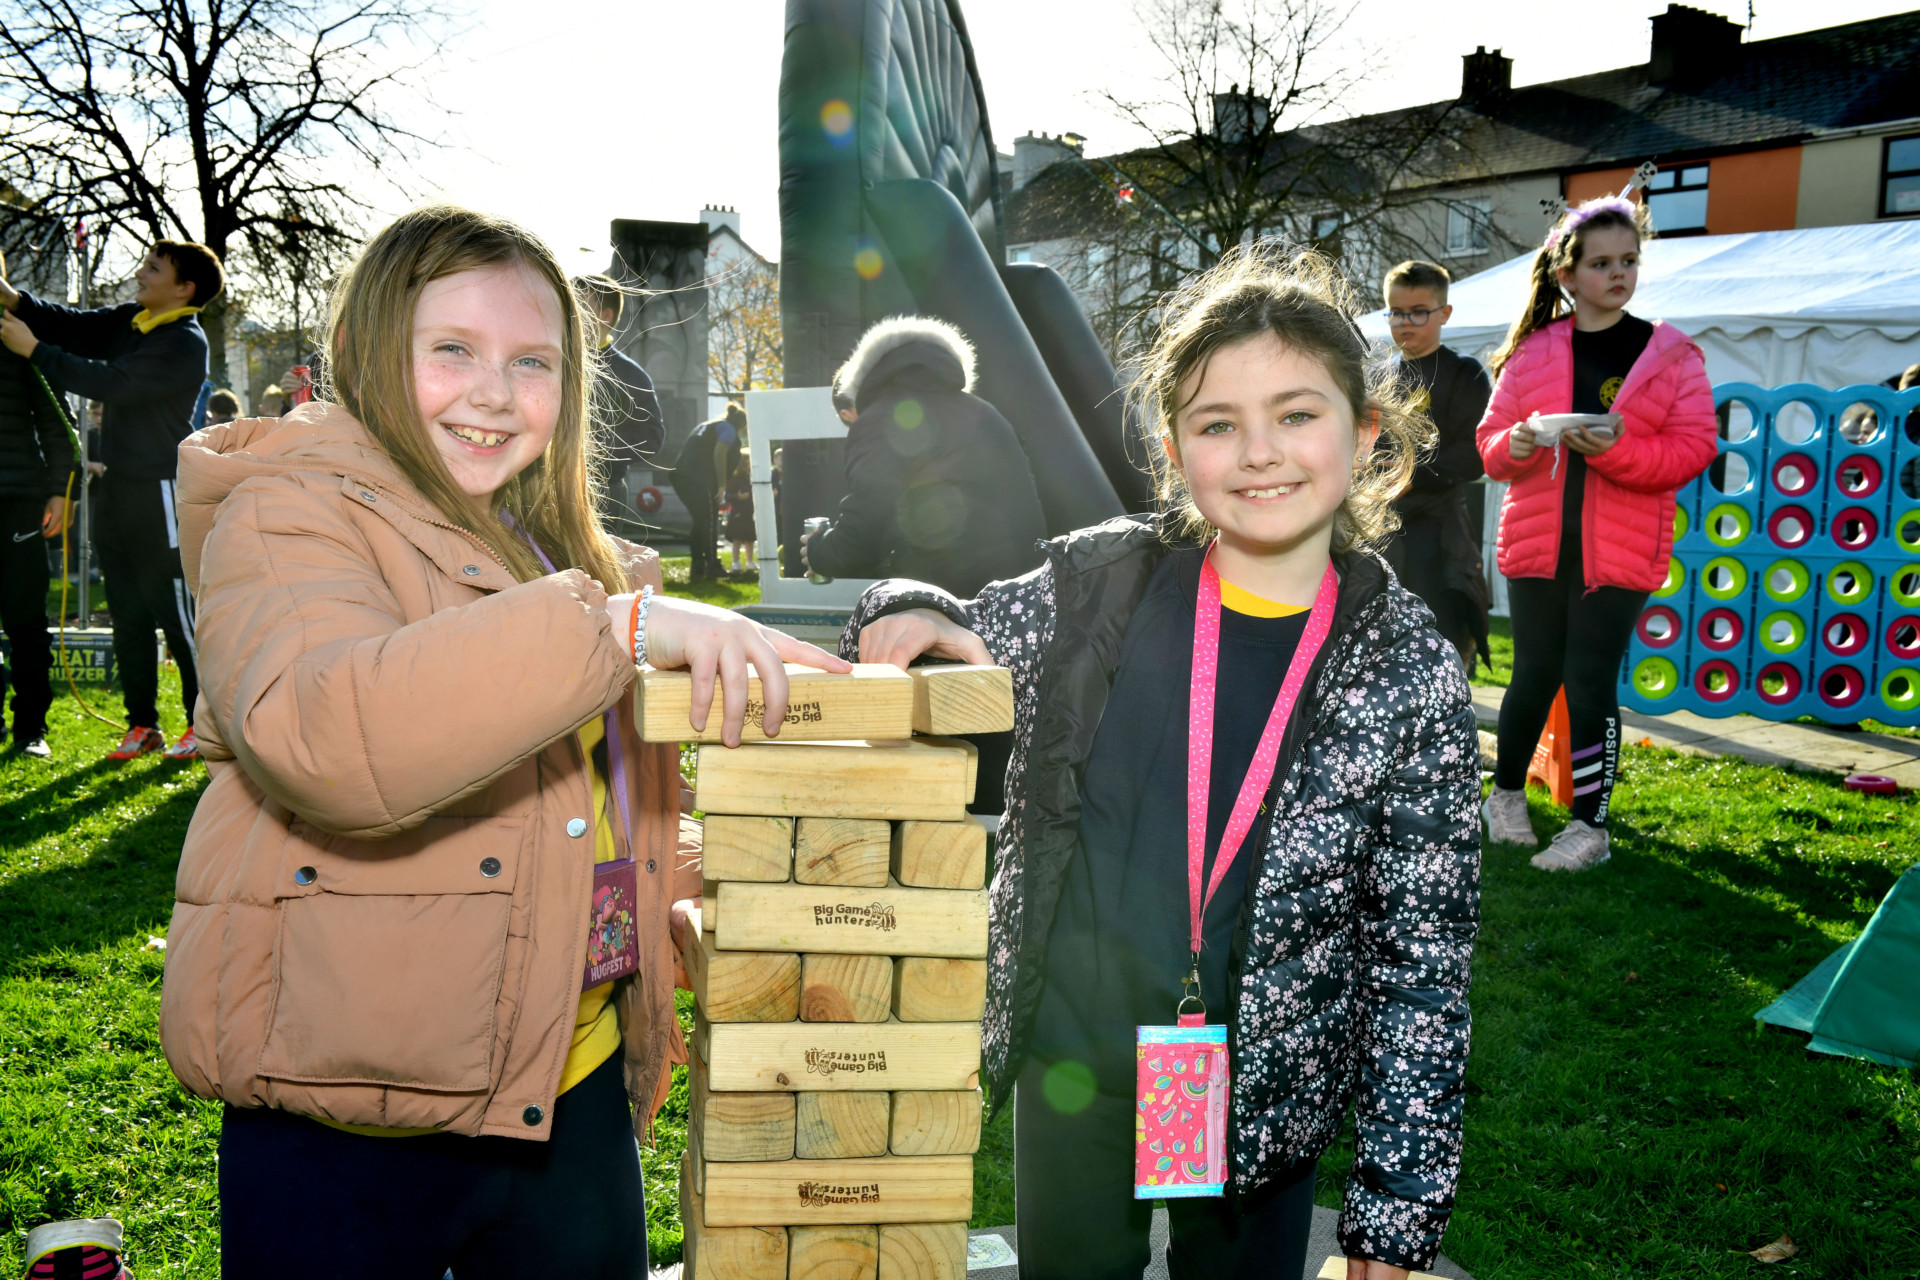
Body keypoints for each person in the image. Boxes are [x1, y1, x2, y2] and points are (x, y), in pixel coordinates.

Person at [161, 205, 845, 1279]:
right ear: (365, 351)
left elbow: (575, 809)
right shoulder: (289, 514)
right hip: (354, 1125)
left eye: (533, 360)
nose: (495, 391)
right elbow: (323, 730)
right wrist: (613, 627)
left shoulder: (554, 548)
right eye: (452, 350)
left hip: (562, 1091)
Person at [842, 247, 1479, 1280]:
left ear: (1365, 434)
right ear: (1178, 447)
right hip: (1074, 1065)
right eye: (1217, 422)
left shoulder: (1407, 670)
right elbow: (948, 619)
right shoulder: (1103, 585)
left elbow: (1422, 963)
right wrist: (899, 605)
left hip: (1259, 1092)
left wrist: (1395, 1213)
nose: (1259, 451)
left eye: (1297, 414)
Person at [1477, 194, 1716, 872]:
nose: (1619, 274)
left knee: (1588, 682)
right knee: (1533, 675)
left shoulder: (1668, 354)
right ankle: (1503, 797)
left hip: (1621, 552)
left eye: (1630, 261)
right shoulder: (1534, 351)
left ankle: (1590, 826)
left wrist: (1609, 453)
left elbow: (1692, 449)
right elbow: (1490, 446)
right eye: (1603, 262)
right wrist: (1519, 445)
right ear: (1567, 275)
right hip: (1536, 546)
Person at [0, 238, 221, 761]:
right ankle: (143, 724)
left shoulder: (184, 341)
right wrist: (12, 299)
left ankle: (203, 724)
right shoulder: (133, 321)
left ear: (184, 288)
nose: (140, 273)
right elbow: (71, 324)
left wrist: (34, 351)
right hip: (118, 488)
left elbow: (114, 383)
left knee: (177, 614)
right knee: (126, 611)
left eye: (153, 267)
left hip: (162, 491)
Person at [802, 316, 1046, 598]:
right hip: (1020, 591)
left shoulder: (876, 420)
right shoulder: (984, 411)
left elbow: (868, 528)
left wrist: (819, 552)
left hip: (946, 598)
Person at [1378, 260, 1492, 673]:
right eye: (1396, 311)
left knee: (1439, 643)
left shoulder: (1464, 374)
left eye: (1419, 311)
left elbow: (1475, 452)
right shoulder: (1380, 381)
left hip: (1440, 531)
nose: (1406, 323)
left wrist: (1414, 476)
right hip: (1382, 528)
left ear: (1444, 313)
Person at [0, 250, 80, 759]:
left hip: (18, 501)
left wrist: (60, 489)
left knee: (24, 619)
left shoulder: (19, 337)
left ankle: (31, 728)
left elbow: (58, 423)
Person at [573, 274, 664, 535]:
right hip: (543, 489)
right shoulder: (548, 360)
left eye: (580, 304)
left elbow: (652, 437)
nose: (569, 311)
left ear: (606, 316)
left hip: (603, 492)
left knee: (593, 573)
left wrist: (596, 447)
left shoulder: (630, 376)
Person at [669, 402, 743, 581]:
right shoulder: (729, 429)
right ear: (741, 425)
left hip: (680, 475)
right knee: (710, 519)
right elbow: (720, 453)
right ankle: (712, 565)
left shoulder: (709, 425)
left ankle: (697, 565)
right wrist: (722, 484)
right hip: (697, 478)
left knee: (700, 520)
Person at [725, 453, 756, 572]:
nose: (748, 466)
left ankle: (750, 561)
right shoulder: (734, 479)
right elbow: (727, 496)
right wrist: (737, 497)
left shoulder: (752, 479)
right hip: (738, 512)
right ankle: (736, 562)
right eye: (746, 464)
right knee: (737, 538)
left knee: (750, 538)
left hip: (749, 512)